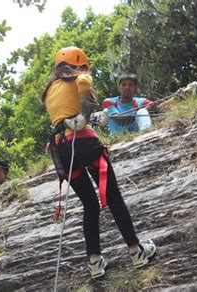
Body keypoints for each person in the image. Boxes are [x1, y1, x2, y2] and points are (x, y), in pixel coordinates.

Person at [40, 47, 156, 279]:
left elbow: (61, 113)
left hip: (62, 150)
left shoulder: (49, 89)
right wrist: (86, 108)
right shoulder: (79, 76)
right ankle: (136, 251)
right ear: (80, 64)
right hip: (84, 141)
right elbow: (83, 90)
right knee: (113, 197)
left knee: (90, 205)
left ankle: (94, 262)